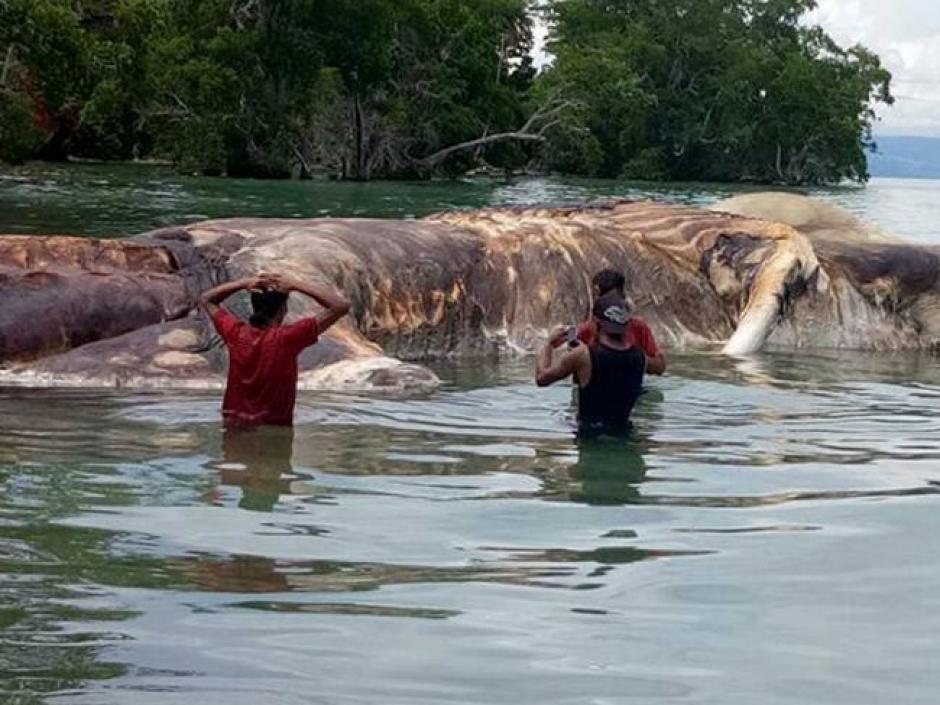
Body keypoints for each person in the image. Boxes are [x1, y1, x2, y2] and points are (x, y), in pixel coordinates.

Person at [200, 272, 350, 427]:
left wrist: (243, 283)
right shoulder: (289, 337)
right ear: (282, 310)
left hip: (235, 426)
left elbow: (207, 299)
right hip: (275, 428)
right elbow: (340, 306)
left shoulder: (235, 333)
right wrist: (296, 284)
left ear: (254, 307)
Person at [536, 291, 647, 435]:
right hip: (624, 434)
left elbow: (542, 378)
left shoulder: (583, 356)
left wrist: (548, 344)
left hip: (590, 439)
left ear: (595, 321)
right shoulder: (641, 357)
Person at [576, 269, 666, 375]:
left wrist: (633, 359)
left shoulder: (638, 327)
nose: (611, 304)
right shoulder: (584, 330)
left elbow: (660, 367)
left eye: (614, 299)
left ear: (623, 297)